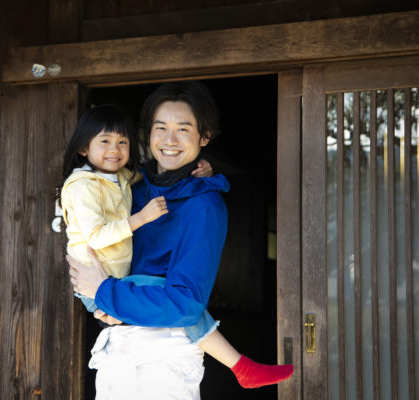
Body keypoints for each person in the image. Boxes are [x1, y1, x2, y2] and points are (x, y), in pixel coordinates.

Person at [67, 82, 294, 399]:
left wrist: (107, 292)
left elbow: (185, 305)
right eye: (161, 128)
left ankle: (243, 367)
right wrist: (100, 300)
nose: (169, 141)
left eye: (183, 130)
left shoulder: (205, 207)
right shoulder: (131, 191)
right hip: (116, 352)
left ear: (204, 137)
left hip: (165, 358)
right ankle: (243, 366)